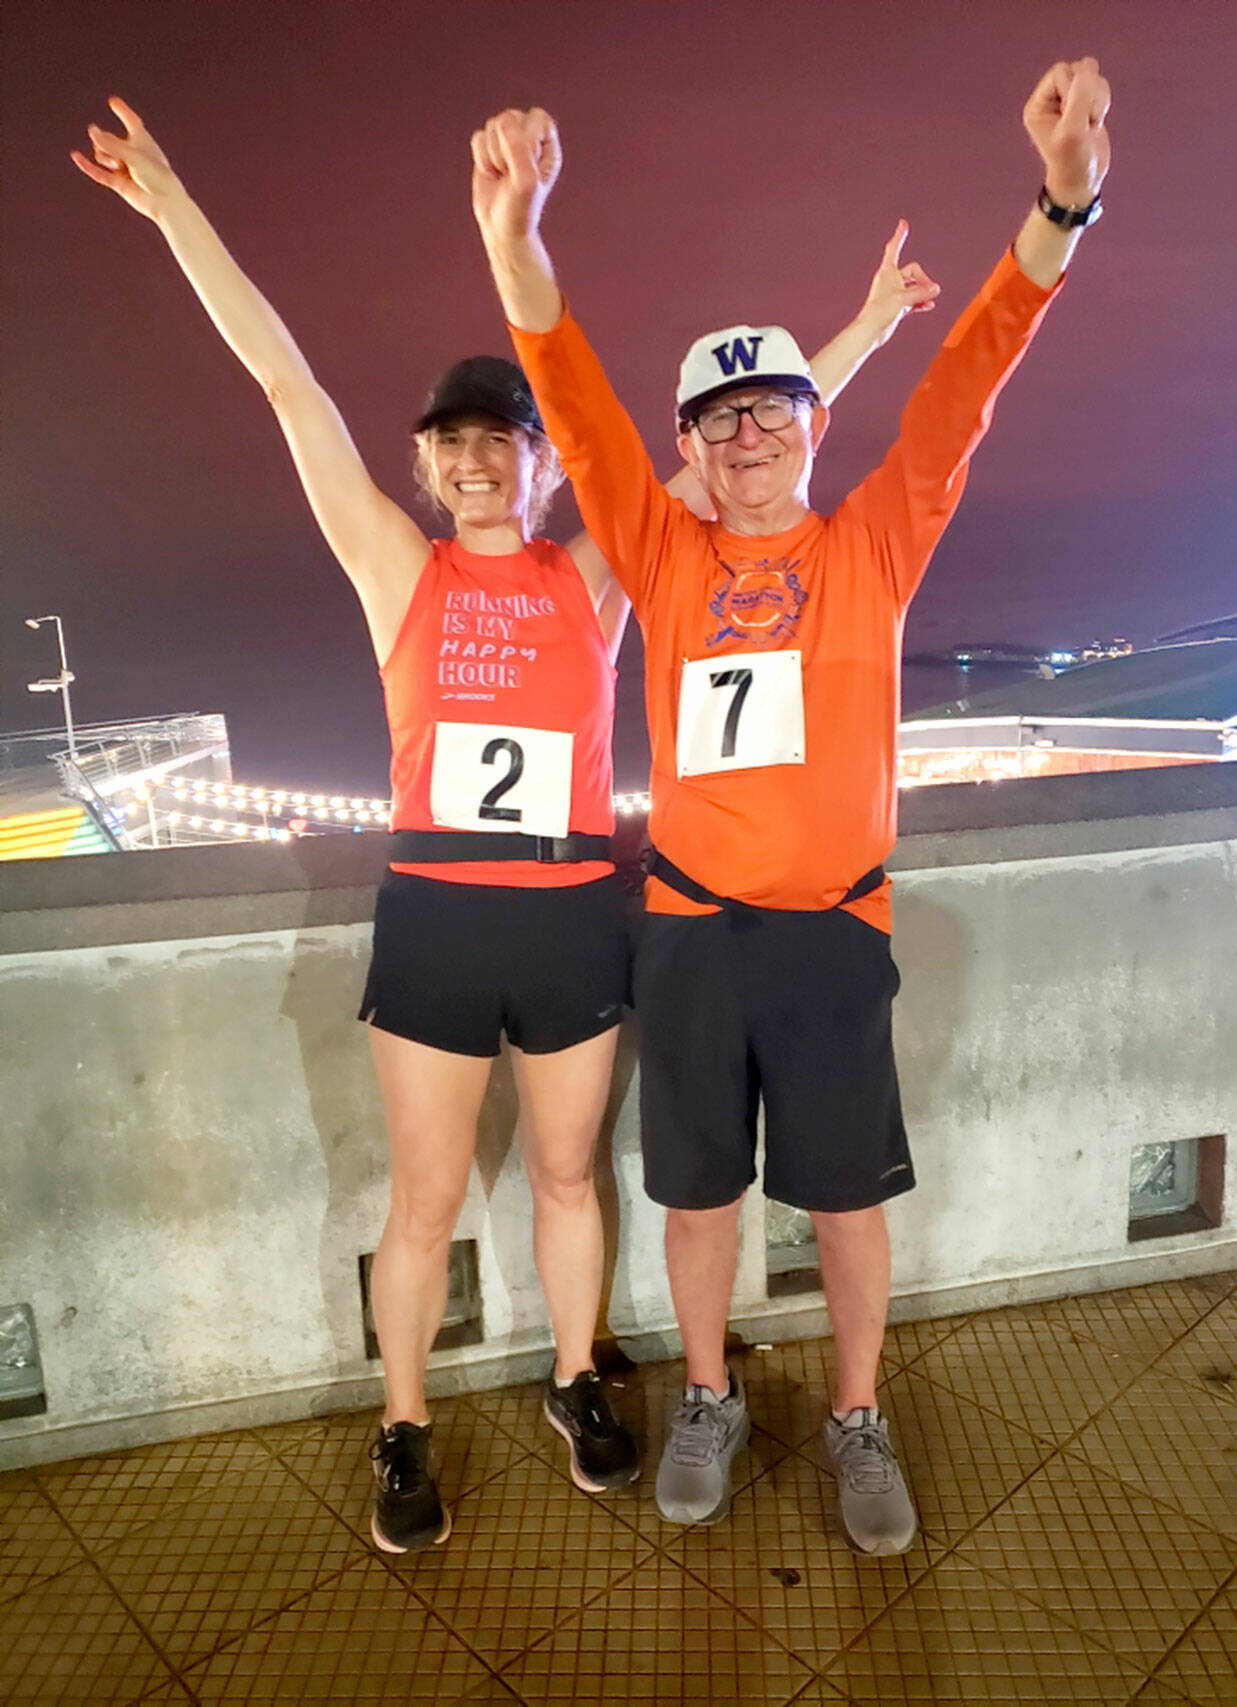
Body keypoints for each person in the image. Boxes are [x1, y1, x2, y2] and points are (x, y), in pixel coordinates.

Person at [71, 100, 927, 1553]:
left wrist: (851, 337)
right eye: (451, 443)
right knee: (419, 1201)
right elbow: (286, 385)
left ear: (543, 466)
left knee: (564, 1176)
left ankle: (580, 1380)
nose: (477, 462)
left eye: (504, 443)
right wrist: (173, 215)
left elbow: (738, 444)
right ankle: (402, 1424)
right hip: (438, 913)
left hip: (580, 903)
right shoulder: (394, 566)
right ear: (423, 464)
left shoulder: (595, 580)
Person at [471, 56, 1112, 1551]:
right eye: (720, 419)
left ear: (815, 429)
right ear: (686, 451)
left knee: (841, 1203)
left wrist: (1063, 202)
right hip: (689, 933)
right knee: (698, 1199)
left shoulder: (874, 546)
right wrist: (516, 243)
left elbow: (964, 384)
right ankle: (708, 1393)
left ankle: (856, 1415)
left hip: (832, 933)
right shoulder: (663, 548)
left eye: (775, 411)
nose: (748, 435)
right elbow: (566, 381)